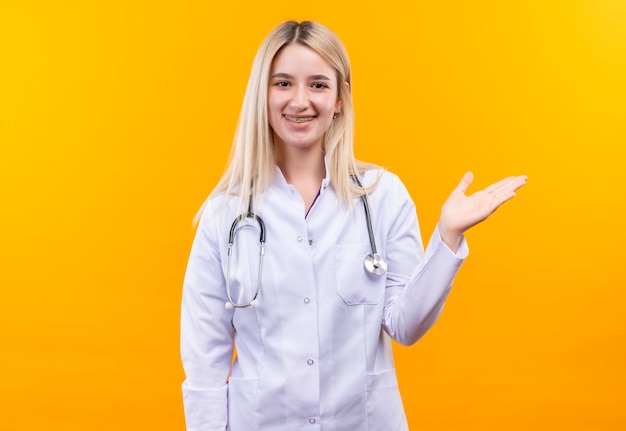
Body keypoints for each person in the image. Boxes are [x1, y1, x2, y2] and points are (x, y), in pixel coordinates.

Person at [180, 20, 527, 431]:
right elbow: (205, 358)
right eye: (284, 83)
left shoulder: (383, 196)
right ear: (263, 94)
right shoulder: (226, 215)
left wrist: (449, 235)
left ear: (341, 98)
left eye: (319, 85)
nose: (300, 100)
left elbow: (405, 325)